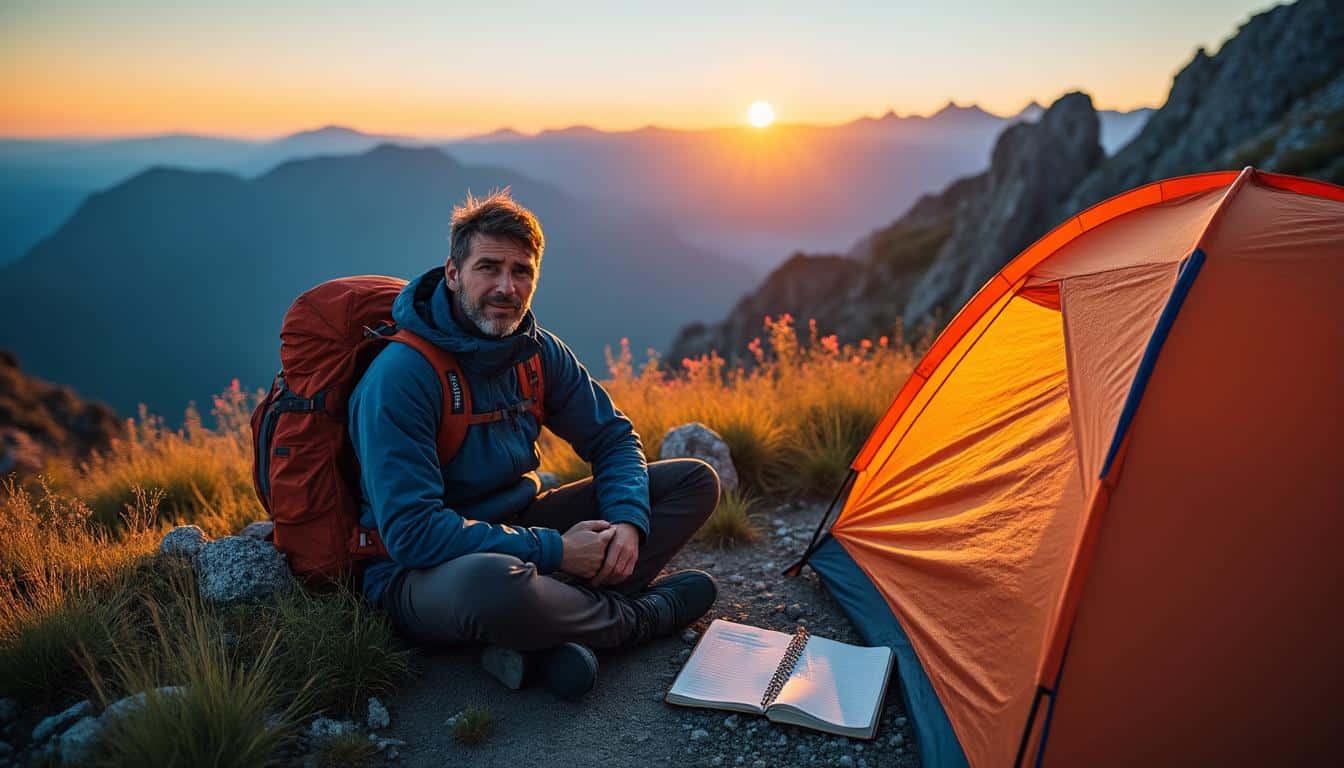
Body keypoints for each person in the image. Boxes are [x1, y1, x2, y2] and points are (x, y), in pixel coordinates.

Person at [348, 189, 720, 700]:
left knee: (692, 482)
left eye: (521, 271)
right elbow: (414, 534)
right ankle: (634, 620)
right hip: (421, 572)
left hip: (520, 528)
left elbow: (613, 438)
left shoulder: (536, 352)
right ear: (453, 274)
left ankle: (536, 634)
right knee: (494, 584)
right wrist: (559, 551)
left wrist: (629, 522)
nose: (506, 287)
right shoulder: (403, 376)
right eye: (489, 267)